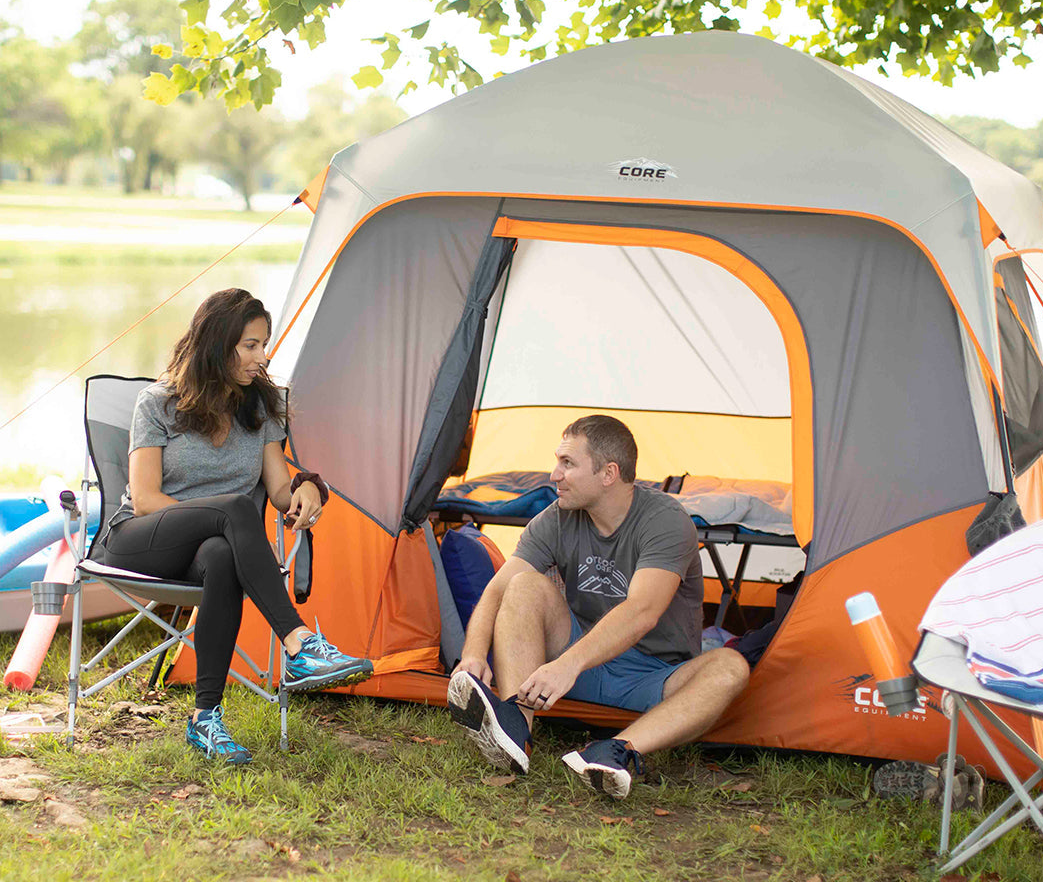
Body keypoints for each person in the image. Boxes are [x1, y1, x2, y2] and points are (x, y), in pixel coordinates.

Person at [102, 287, 373, 764]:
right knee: (234, 511)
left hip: (211, 552)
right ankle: (298, 642)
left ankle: (204, 720)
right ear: (217, 343)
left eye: (263, 345)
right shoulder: (158, 404)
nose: (261, 356)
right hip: (143, 540)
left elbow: (281, 492)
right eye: (251, 345)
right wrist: (219, 515)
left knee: (224, 554)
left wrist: (311, 488)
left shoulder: (261, 407)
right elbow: (144, 499)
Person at [447, 415, 750, 799]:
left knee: (730, 667)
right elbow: (497, 590)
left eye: (567, 463)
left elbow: (643, 611)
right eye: (557, 461)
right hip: (580, 658)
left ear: (609, 473)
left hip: (653, 675)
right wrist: (473, 655)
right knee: (523, 586)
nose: (554, 475)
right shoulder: (556, 518)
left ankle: (616, 750)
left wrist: (567, 665)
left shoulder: (666, 521)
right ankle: (515, 730)